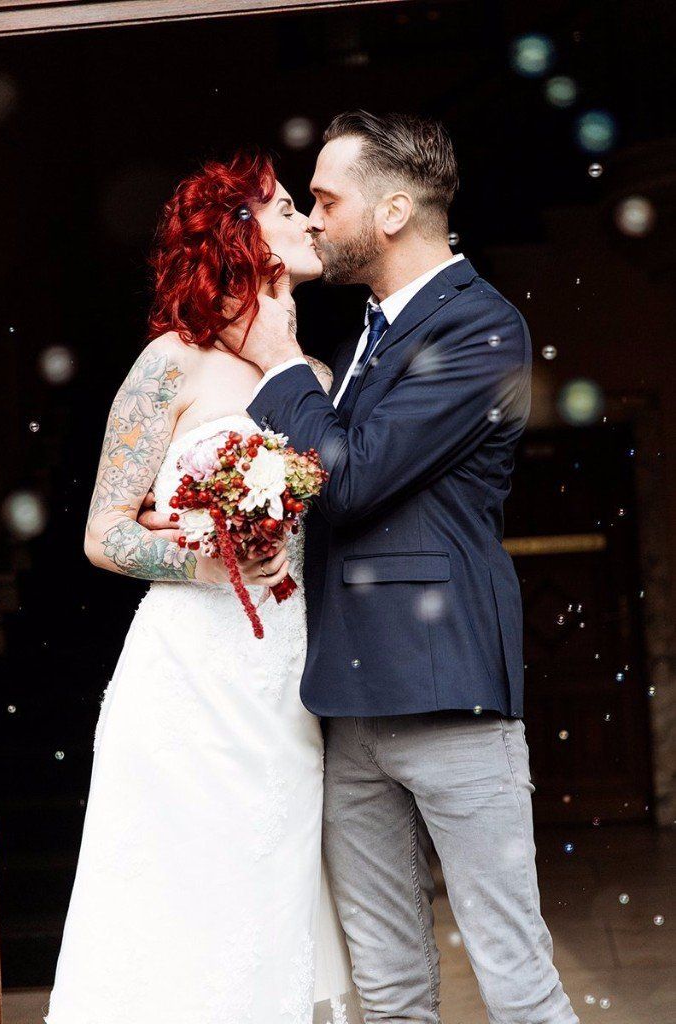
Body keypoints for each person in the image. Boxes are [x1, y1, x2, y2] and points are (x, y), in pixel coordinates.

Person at [184, 110, 579, 1023]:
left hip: (445, 693)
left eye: (326, 200)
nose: (313, 218)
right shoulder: (367, 330)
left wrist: (280, 364)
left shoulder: (481, 326)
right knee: (391, 992)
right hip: (345, 701)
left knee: (516, 983)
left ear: (394, 210)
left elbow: (352, 479)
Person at [44, 151, 357, 1024]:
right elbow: (104, 534)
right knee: (175, 903)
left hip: (285, 679)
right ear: (236, 233)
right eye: (286, 207)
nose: (308, 220)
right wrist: (206, 559)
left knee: (269, 895)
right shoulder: (170, 364)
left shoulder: (315, 384)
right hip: (187, 679)